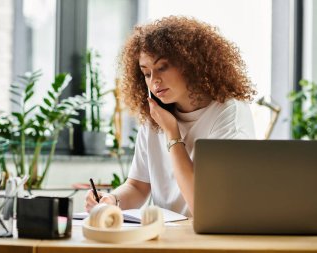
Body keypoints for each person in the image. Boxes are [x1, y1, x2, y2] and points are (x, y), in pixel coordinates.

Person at [85, 16, 256, 217]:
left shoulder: (228, 113)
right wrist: (112, 200)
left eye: (162, 68)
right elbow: (138, 186)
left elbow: (204, 207)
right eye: (146, 73)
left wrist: (172, 133)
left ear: (191, 65)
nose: (154, 81)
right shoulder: (155, 115)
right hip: (165, 237)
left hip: (209, 238)